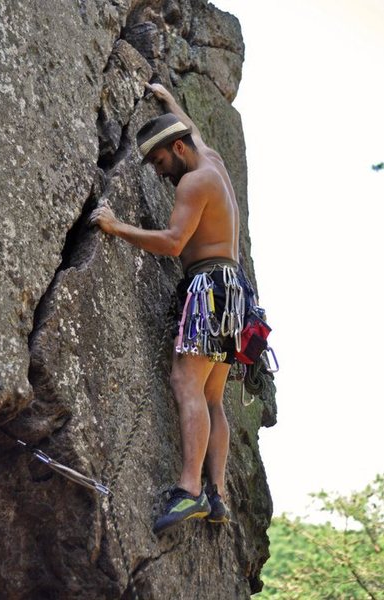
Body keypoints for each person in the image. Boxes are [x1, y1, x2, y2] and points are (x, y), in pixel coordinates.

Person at [89, 82, 252, 535]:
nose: (161, 172)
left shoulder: (194, 182)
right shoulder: (211, 163)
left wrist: (114, 226)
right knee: (213, 396)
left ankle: (189, 490)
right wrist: (167, 100)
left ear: (176, 148)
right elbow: (195, 131)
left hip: (209, 288)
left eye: (160, 161)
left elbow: (173, 242)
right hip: (235, 290)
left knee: (185, 380)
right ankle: (216, 493)